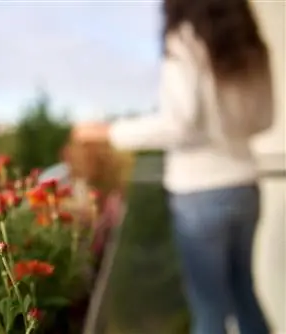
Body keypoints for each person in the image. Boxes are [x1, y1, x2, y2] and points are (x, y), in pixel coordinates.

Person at [72, 0, 274, 333]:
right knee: (244, 297)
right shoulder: (249, 45)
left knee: (209, 312)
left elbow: (178, 124)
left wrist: (108, 132)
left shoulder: (186, 40)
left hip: (201, 195)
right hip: (245, 186)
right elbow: (265, 120)